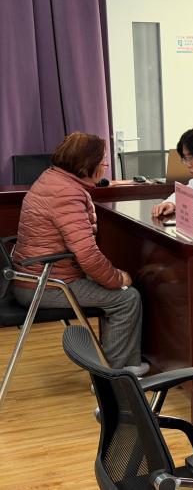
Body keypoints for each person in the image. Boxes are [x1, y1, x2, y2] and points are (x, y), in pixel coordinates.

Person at [13, 132, 148, 376]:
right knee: (126, 298)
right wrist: (117, 278)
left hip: (32, 277)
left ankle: (112, 363)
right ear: (87, 165)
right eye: (103, 161)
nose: (105, 167)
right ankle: (117, 376)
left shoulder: (51, 178)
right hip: (46, 285)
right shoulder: (67, 194)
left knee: (112, 290)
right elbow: (87, 255)